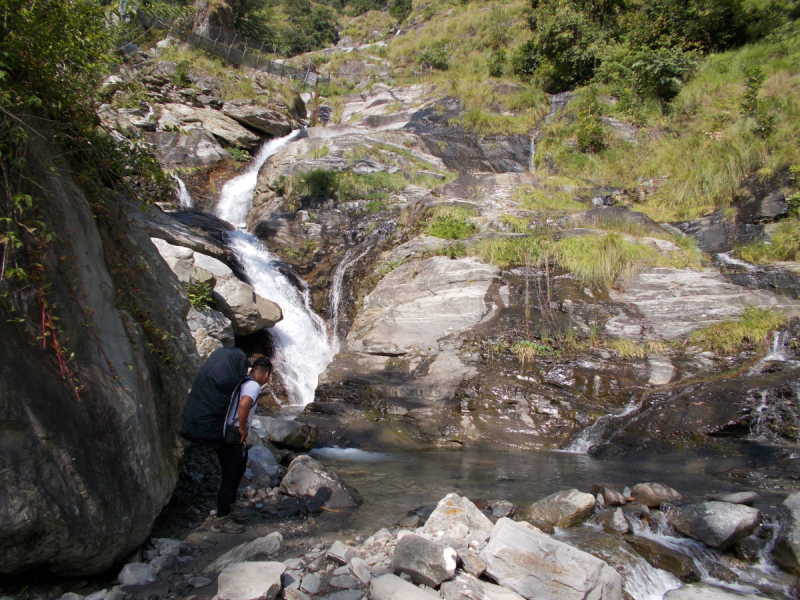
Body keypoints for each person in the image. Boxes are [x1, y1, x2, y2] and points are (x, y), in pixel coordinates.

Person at [210, 356, 272, 534]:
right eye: (268, 376)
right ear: (266, 374)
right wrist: (243, 428)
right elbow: (244, 405)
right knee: (231, 475)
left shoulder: (243, 381)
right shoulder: (253, 385)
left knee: (236, 471)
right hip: (232, 434)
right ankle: (221, 519)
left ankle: (230, 508)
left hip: (224, 431)